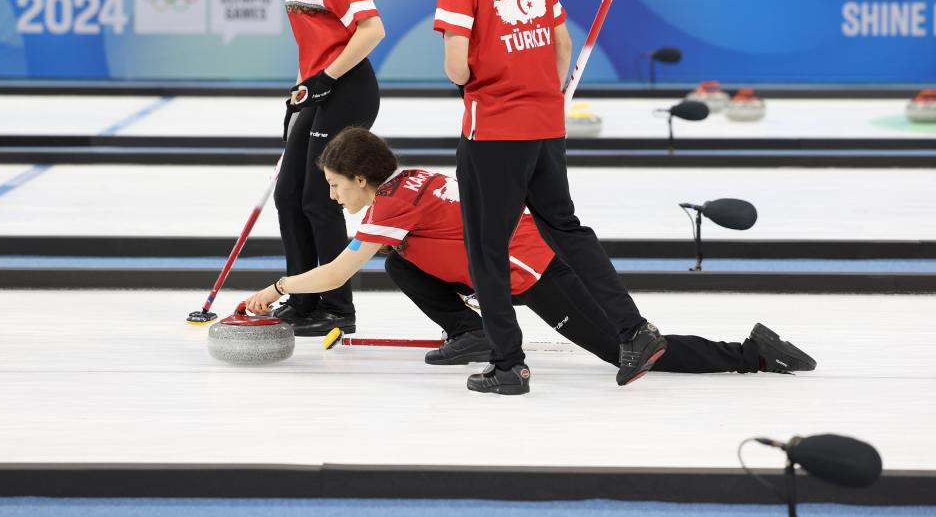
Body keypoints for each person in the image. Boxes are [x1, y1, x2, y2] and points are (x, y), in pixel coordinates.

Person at [244, 128, 817, 388]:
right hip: (512, 264)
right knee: (399, 261)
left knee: (629, 351)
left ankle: (752, 354)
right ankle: (472, 333)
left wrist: (276, 288)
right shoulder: (410, 181)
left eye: (336, 185)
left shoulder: (392, 206)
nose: (333, 196)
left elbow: (339, 272)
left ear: (362, 179)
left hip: (538, 272)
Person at [408, 0, 664, 393]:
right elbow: (561, 44)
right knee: (565, 229)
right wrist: (541, 95)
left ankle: (509, 365)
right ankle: (635, 330)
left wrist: (485, 80)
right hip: (546, 123)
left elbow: (457, 67)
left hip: (493, 130)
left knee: (485, 249)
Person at [254, 0, 384, 336]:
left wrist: (325, 78)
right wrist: (302, 88)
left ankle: (337, 307)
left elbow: (372, 30)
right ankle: (303, 300)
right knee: (288, 196)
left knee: (317, 197)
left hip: (348, 90)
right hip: (320, 90)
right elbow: (312, 41)